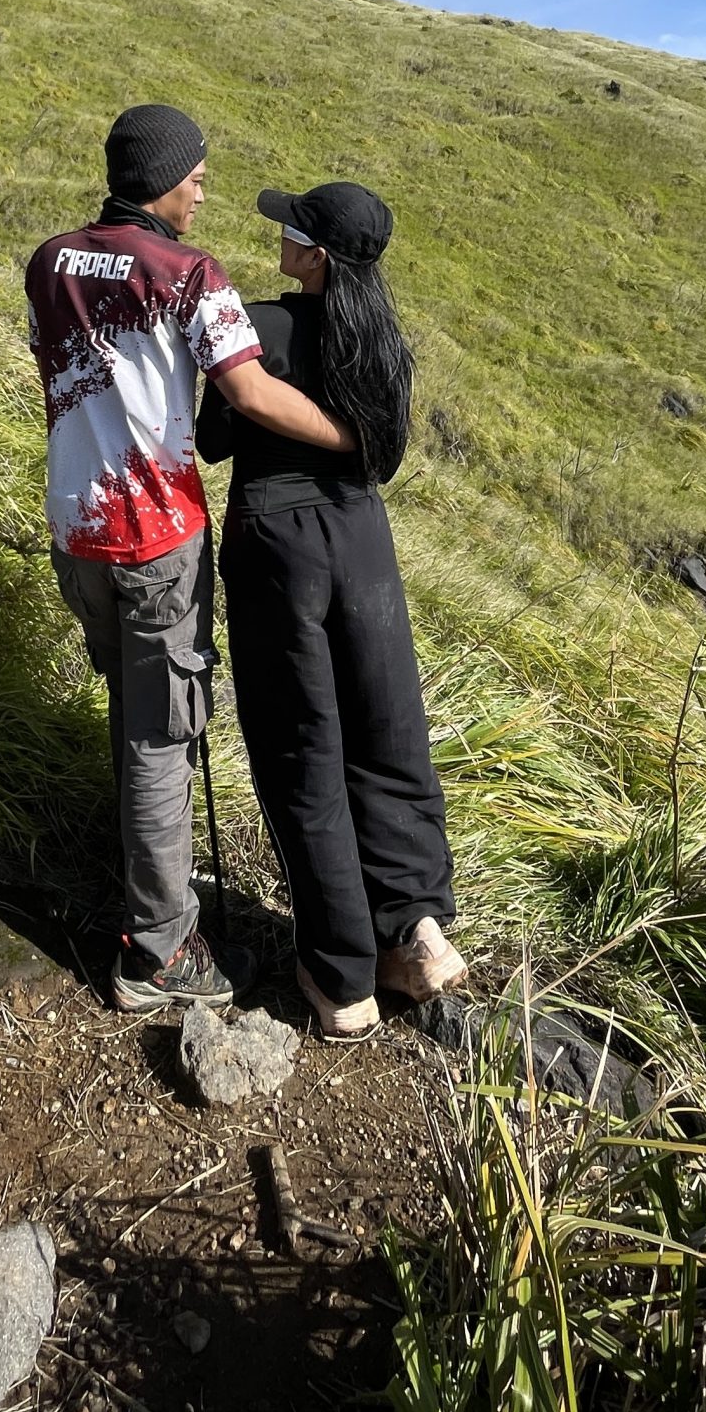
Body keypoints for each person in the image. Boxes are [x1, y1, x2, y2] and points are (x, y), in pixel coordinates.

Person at [26, 105, 354, 1016]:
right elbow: (247, 392)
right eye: (198, 175)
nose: (204, 189)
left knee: (132, 712)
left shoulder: (50, 260)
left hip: (74, 523)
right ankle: (161, 953)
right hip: (155, 534)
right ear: (162, 176)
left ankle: (151, 886)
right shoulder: (188, 274)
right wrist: (347, 437)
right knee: (160, 738)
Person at [196, 180, 465, 1040]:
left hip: (277, 538)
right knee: (388, 733)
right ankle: (416, 931)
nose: (278, 232)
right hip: (363, 538)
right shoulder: (384, 343)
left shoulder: (264, 327)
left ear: (311, 255)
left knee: (301, 746)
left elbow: (212, 438)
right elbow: (381, 457)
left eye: (291, 228)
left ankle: (342, 977)